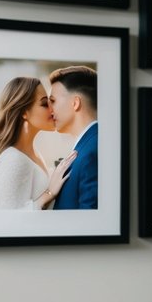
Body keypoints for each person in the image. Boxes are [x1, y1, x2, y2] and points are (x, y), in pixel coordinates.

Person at [0, 77, 77, 210]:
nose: (52, 109)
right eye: (44, 104)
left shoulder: (34, 152)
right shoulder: (13, 159)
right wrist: (49, 193)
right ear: (24, 112)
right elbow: (7, 222)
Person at [48, 66, 98, 209]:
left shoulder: (92, 152)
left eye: (53, 101)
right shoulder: (88, 145)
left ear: (75, 103)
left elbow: (90, 223)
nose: (49, 109)